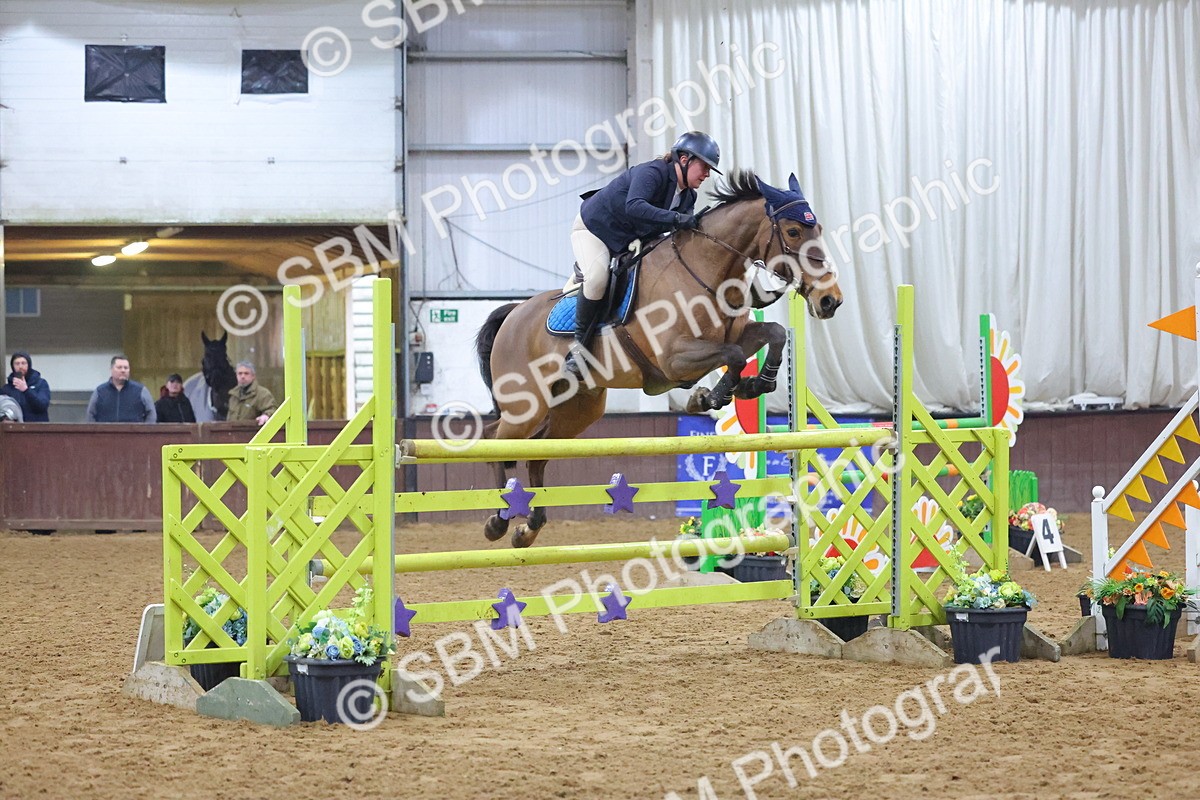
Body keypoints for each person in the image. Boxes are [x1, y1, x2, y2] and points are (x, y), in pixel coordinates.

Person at [562, 131, 721, 378]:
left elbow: (677, 235)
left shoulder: (689, 195)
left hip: (628, 238)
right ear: (684, 159)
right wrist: (679, 219)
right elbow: (635, 206)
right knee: (597, 278)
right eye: (704, 166)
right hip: (595, 230)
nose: (707, 174)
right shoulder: (653, 172)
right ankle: (579, 352)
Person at [87, 355, 156, 422]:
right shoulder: (100, 391)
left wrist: (145, 432)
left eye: (126, 368)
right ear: (111, 369)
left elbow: (151, 413)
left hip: (133, 432)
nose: (123, 370)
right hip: (105, 433)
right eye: (119, 367)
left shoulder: (141, 390)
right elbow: (90, 414)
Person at [0, 351, 51, 421]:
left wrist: (26, 390)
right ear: (13, 366)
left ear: (28, 365)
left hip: (37, 428)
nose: (20, 367)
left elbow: (42, 406)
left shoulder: (41, 384)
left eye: (23, 363)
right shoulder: (7, 389)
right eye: (17, 364)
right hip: (15, 429)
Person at [226, 361, 277, 426]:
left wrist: (266, 416)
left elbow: (272, 410)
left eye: (246, 373)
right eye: (240, 373)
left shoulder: (262, 394)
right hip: (233, 434)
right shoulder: (233, 395)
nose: (242, 376)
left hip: (255, 433)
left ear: (253, 376)